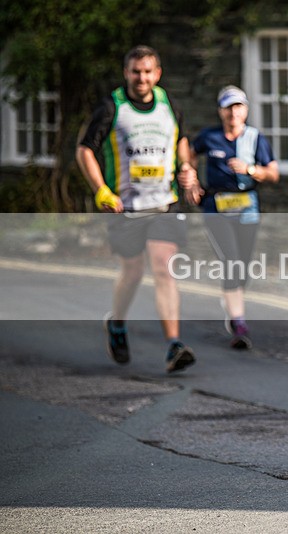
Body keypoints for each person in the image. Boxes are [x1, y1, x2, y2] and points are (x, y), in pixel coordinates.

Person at [76, 45, 197, 373]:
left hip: (163, 203)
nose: (141, 78)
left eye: (147, 71)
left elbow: (182, 139)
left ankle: (174, 344)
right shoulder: (112, 107)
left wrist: (187, 167)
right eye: (135, 71)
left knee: (164, 267)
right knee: (131, 272)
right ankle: (116, 323)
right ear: (126, 73)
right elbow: (85, 149)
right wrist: (101, 189)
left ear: (157, 73)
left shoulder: (168, 104)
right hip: (125, 207)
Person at [179, 85, 279, 349]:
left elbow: (273, 173)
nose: (233, 112)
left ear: (245, 110)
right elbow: (187, 152)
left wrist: (251, 169)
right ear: (220, 111)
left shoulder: (256, 138)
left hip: (247, 206)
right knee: (231, 260)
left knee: (242, 266)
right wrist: (191, 179)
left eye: (237, 106)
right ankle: (239, 321)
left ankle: (233, 305)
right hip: (216, 207)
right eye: (228, 107)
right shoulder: (210, 137)